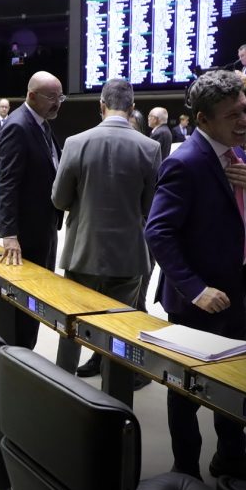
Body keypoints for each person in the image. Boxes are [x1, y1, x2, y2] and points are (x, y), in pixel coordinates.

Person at [144, 70, 246, 487]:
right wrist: (196, 288)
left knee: (232, 382)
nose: (245, 121)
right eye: (233, 115)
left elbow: (243, 212)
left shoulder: (236, 155)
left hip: (235, 289)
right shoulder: (185, 163)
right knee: (185, 389)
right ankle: (185, 470)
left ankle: (231, 458)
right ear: (203, 120)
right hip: (196, 300)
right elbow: (158, 232)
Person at [53, 78, 161, 379]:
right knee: (120, 330)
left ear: (101, 105)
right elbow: (149, 208)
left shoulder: (75, 143)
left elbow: (59, 200)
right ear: (133, 108)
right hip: (128, 257)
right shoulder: (150, 147)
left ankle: (62, 386)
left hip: (81, 253)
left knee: (71, 327)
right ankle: (116, 397)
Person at [0, 71, 66, 349]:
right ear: (31, 96)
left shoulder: (41, 124)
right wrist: (9, 234)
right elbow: (7, 183)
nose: (57, 103)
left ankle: (24, 357)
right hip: (26, 234)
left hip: (43, 226)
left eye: (60, 97)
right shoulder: (18, 126)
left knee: (36, 300)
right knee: (24, 304)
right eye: (52, 97)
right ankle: (17, 359)